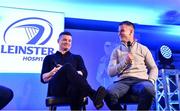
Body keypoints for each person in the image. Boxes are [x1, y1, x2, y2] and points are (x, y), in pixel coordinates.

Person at [41, 31, 106, 110]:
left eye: (69, 40)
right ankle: (93, 94)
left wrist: (73, 72)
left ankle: (92, 95)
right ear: (58, 41)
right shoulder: (49, 58)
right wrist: (53, 71)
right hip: (57, 88)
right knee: (67, 67)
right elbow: (43, 79)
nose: (67, 42)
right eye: (64, 40)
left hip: (72, 88)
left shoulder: (77, 58)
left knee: (76, 88)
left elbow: (84, 73)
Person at [105, 21, 158, 110]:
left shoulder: (143, 49)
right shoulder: (116, 51)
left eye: (122, 31)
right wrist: (125, 62)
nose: (119, 34)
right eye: (118, 31)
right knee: (108, 93)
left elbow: (153, 68)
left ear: (131, 32)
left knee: (149, 89)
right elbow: (110, 72)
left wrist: (151, 81)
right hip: (122, 82)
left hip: (141, 81)